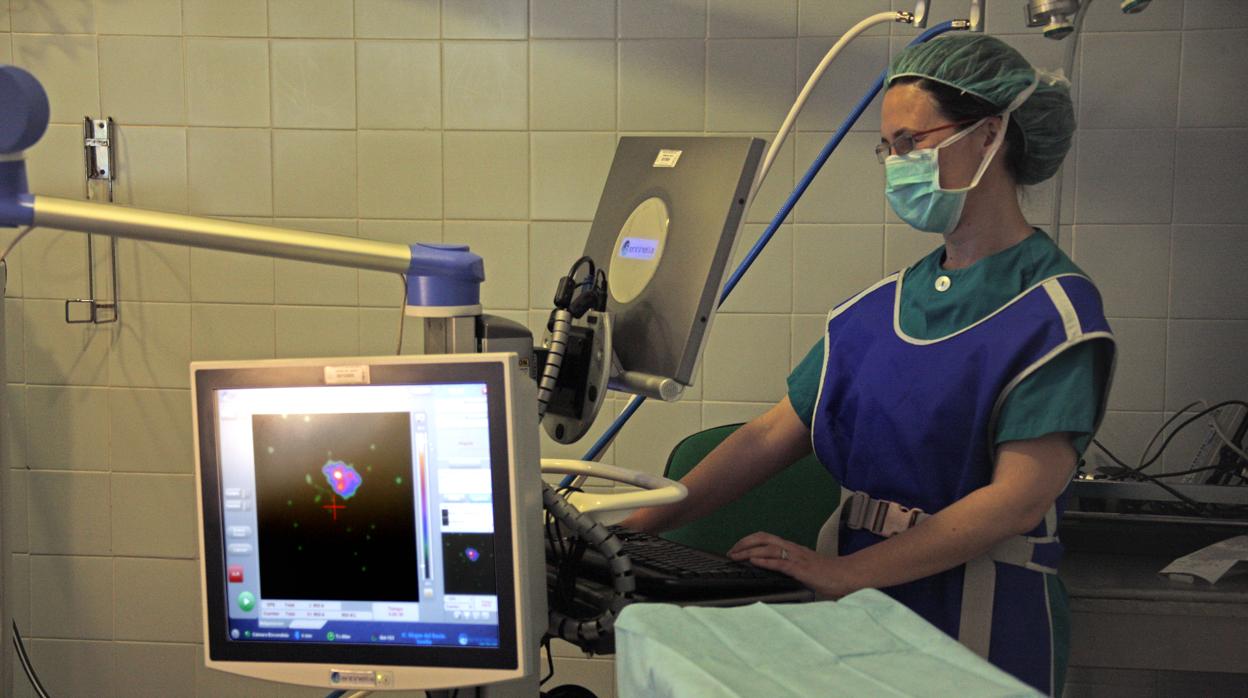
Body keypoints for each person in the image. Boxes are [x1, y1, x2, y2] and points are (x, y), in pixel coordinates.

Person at [621, 34, 1115, 697]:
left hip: (980, 620)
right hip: (861, 619)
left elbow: (1015, 500)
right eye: (888, 148)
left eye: (911, 142)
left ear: (990, 133)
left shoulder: (1054, 314)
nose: (895, 164)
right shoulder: (876, 312)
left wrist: (850, 572)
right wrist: (629, 527)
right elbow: (770, 436)